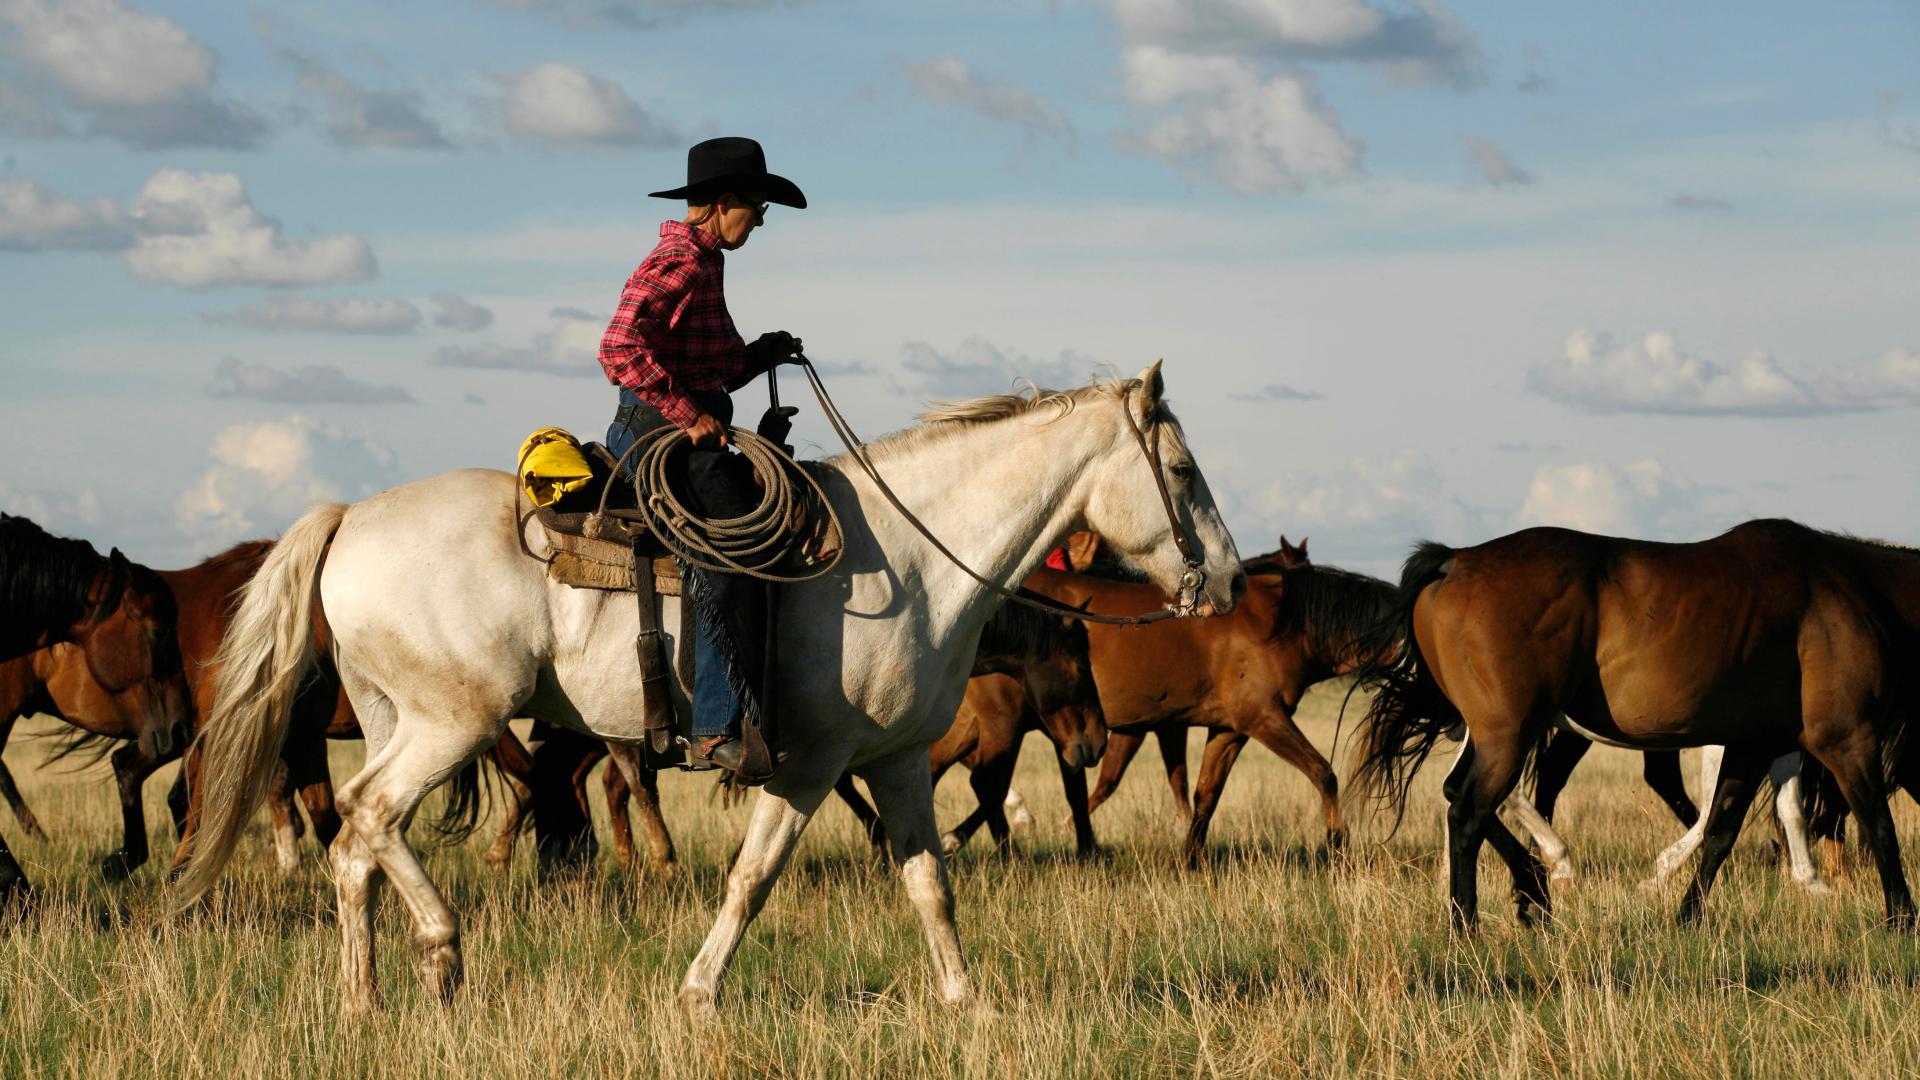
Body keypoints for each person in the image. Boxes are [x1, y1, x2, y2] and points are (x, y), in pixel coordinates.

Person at [598, 136, 806, 780]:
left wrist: (758, 356)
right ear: (722, 204)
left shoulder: (705, 260)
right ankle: (715, 727)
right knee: (730, 548)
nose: (763, 218)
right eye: (757, 206)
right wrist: (689, 415)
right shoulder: (682, 260)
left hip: (681, 429)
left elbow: (704, 368)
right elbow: (619, 348)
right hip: (657, 435)